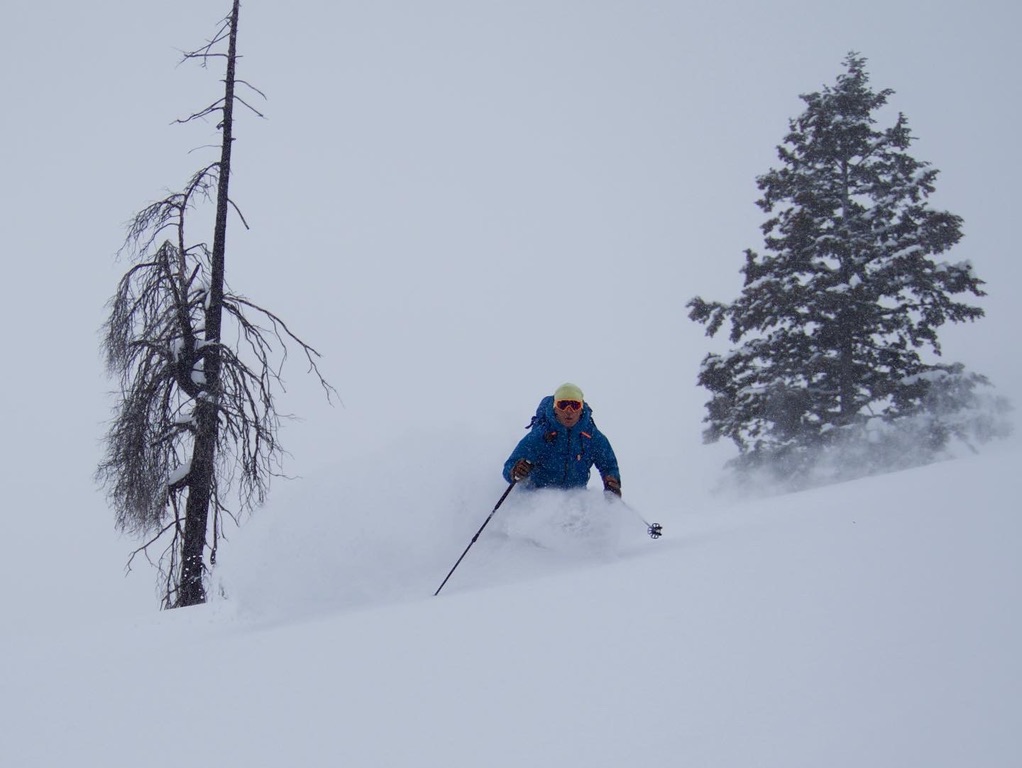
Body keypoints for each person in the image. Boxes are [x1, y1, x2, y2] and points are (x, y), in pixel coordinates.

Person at [503, 383, 622, 497]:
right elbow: (509, 467)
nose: (569, 411)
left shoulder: (592, 437)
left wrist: (611, 481)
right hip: (538, 500)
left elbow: (608, 464)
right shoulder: (540, 437)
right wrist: (515, 471)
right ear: (555, 408)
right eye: (563, 405)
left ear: (581, 408)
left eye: (575, 405)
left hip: (574, 503)